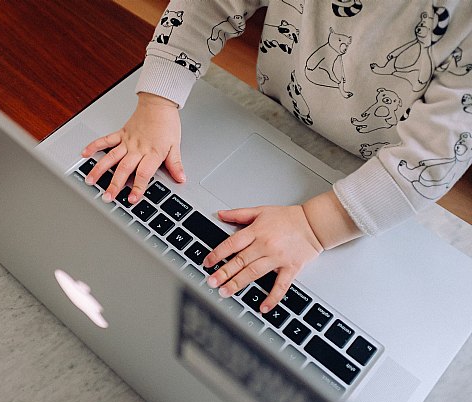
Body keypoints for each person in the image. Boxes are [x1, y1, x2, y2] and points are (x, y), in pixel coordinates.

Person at [82, 0, 472, 314]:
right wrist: (158, 100)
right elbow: (205, 8)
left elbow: (429, 162)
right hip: (279, 113)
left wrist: (314, 227)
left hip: (375, 174)